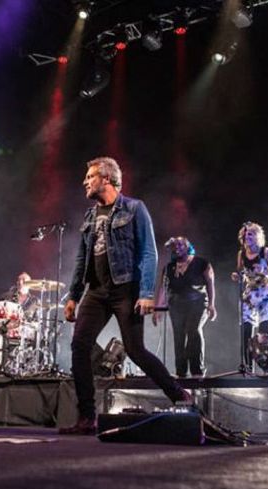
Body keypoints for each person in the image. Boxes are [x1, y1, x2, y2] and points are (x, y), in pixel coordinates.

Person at [61, 157, 191, 435]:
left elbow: (148, 252)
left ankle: (179, 395)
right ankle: (86, 418)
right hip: (95, 291)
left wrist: (146, 293)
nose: (85, 181)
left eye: (90, 176)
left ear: (106, 179)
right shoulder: (89, 215)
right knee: (79, 346)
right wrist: (73, 295)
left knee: (135, 350)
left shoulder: (134, 208)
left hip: (125, 289)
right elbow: (82, 258)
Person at [152, 237, 217, 377]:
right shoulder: (170, 267)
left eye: (181, 244)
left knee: (193, 330)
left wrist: (211, 304)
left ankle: (197, 370)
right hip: (176, 305)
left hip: (198, 303)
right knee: (179, 336)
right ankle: (181, 372)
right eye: (175, 245)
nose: (178, 247)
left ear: (188, 247)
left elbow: (210, 284)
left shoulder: (202, 263)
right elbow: (163, 289)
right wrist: (157, 308)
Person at [232, 222, 268, 373]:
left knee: (263, 334)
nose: (248, 237)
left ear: (258, 236)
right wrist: (237, 276)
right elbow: (241, 272)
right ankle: (248, 369)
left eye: (251, 234)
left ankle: (267, 369)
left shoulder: (266, 252)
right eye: (246, 234)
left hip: (267, 293)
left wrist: (264, 270)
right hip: (251, 294)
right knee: (246, 331)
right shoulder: (241, 254)